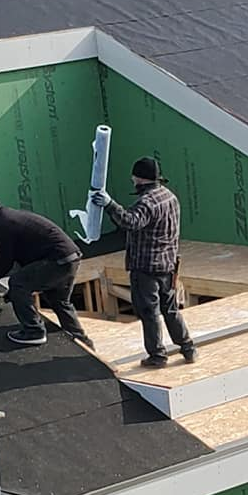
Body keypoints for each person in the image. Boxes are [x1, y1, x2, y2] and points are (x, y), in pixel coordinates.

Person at [91, 157, 196, 368]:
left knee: (149, 312)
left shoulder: (147, 202)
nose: (132, 180)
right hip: (168, 265)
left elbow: (130, 222)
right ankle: (187, 347)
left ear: (139, 178)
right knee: (170, 308)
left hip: (146, 268)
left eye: (134, 176)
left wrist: (110, 205)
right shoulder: (170, 197)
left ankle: (157, 356)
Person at [0, 193, 93, 348]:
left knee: (18, 283)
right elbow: (25, 259)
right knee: (59, 301)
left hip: (56, 260)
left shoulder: (1, 225)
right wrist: (15, 295)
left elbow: (5, 263)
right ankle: (83, 342)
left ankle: (34, 331)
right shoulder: (9, 217)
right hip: (70, 258)